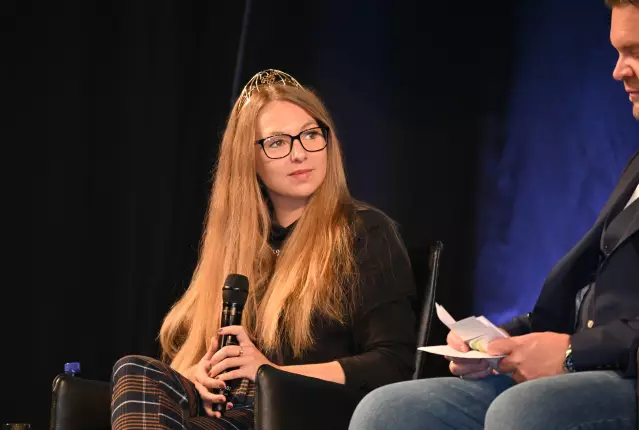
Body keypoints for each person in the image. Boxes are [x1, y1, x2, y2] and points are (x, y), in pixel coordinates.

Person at [349, 1, 639, 429]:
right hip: (590, 364)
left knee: (524, 412)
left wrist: (575, 352)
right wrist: (504, 341)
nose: (619, 70)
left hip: (623, 372)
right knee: (388, 411)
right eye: (618, 52)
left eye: (633, 51)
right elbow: (586, 299)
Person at [110, 69, 417, 430]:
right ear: (248, 160)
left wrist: (270, 374)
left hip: (304, 410)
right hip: (230, 411)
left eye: (310, 135)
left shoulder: (364, 231)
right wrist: (195, 374)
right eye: (277, 143)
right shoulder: (235, 245)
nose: (299, 153)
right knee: (134, 372)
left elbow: (393, 364)